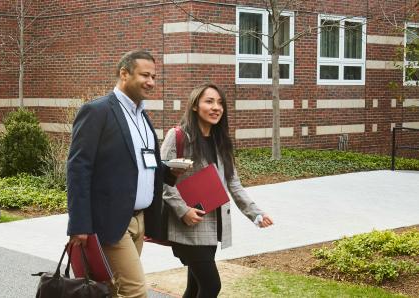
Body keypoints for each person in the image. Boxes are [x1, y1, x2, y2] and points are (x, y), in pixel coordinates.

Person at [66, 50, 178, 298]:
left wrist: (168, 170)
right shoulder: (97, 111)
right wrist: (79, 224)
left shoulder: (143, 117)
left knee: (114, 291)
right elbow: (78, 169)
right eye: (145, 75)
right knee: (135, 291)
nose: (151, 82)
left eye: (154, 76)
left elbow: (141, 163)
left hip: (140, 220)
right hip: (111, 222)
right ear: (124, 73)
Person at [160, 83, 274, 298]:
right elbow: (162, 180)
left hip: (212, 227)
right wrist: (183, 211)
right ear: (195, 106)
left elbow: (234, 183)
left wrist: (255, 213)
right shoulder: (178, 137)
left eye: (220, 103)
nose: (216, 107)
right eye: (209, 101)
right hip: (187, 227)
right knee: (212, 286)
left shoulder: (221, 141)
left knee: (194, 288)